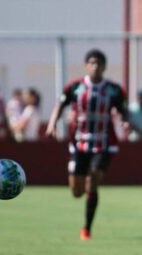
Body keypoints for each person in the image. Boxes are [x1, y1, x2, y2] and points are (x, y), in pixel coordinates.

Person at [45, 49, 129, 241]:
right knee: (76, 191)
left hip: (104, 143)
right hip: (79, 143)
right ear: (85, 66)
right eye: (92, 63)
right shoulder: (75, 87)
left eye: (99, 63)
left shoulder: (114, 90)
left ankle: (86, 229)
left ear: (105, 67)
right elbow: (60, 105)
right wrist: (52, 125)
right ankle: (83, 190)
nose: (95, 66)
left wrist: (125, 122)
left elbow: (124, 111)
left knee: (93, 182)